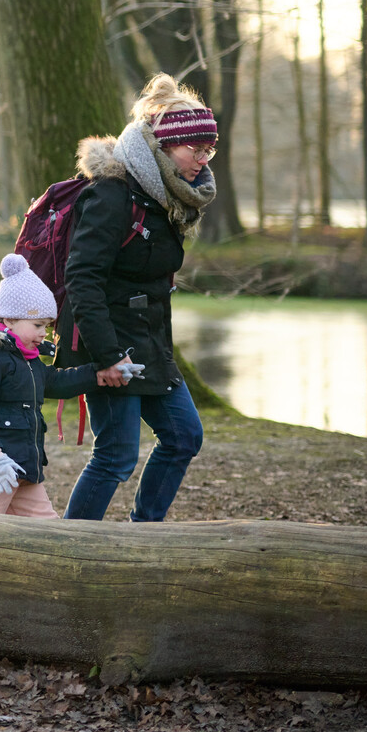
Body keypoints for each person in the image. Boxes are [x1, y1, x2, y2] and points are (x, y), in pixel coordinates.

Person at [57, 73, 218, 521]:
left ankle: (144, 534)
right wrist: (106, 358)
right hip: (108, 342)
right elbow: (82, 280)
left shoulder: (169, 197)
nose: (202, 161)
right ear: (165, 146)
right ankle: (71, 555)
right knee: (116, 456)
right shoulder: (112, 194)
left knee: (185, 437)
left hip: (149, 341)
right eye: (195, 149)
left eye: (209, 150)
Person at [0, 255, 133, 516]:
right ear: (10, 320)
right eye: (38, 325)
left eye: (47, 326)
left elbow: (54, 381)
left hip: (24, 468)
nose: (44, 333)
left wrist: (101, 373)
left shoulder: (27, 359)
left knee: (47, 534)